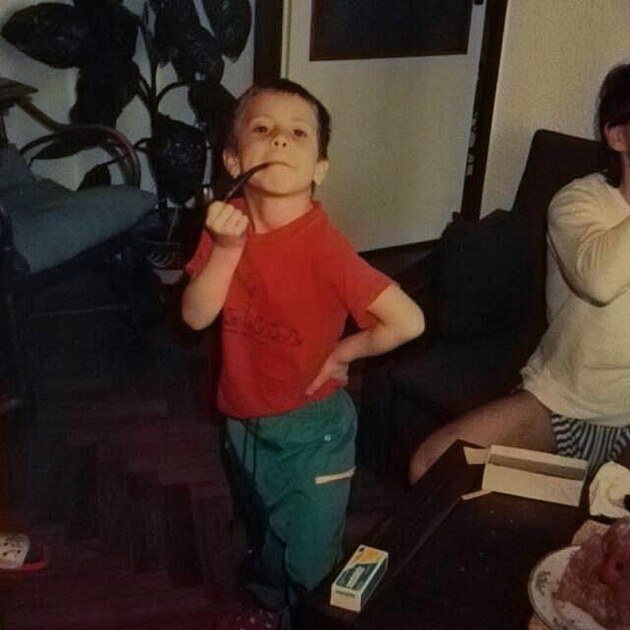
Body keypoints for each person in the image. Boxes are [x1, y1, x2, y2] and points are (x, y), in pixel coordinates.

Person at [182, 78, 424, 628]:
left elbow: (408, 320)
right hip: (242, 419)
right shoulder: (226, 222)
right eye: (263, 129)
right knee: (264, 532)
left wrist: (343, 354)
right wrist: (226, 250)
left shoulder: (323, 247)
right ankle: (270, 607)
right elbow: (195, 315)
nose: (280, 140)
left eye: (298, 133)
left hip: (312, 433)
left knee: (312, 561)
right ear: (232, 159)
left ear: (319, 168)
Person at [409, 62, 630, 486]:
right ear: (617, 135)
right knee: (431, 464)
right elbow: (600, 280)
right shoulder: (578, 201)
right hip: (562, 405)